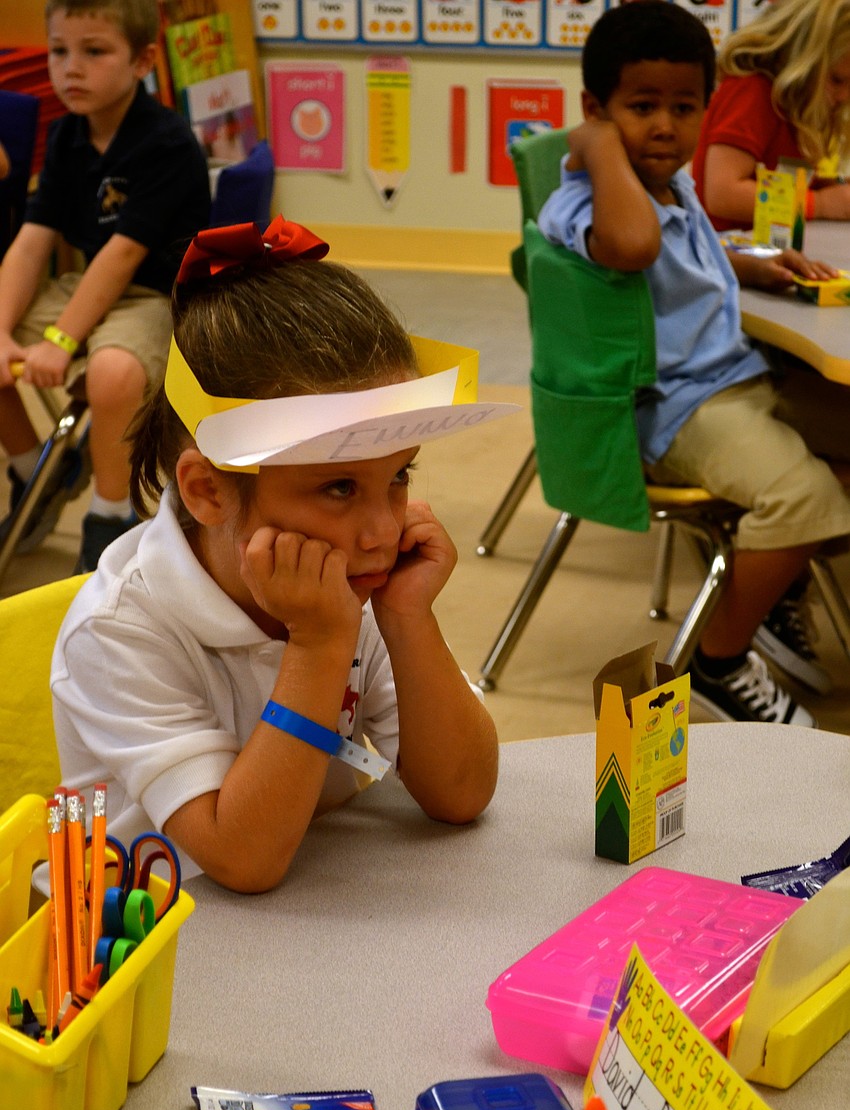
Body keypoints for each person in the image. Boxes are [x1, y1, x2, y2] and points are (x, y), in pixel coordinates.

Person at [50, 217, 510, 893]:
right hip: (165, 942)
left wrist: (409, 618)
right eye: (338, 487)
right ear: (207, 490)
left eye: (400, 477)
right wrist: (321, 645)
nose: (382, 529)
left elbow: (463, 791)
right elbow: (243, 859)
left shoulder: (354, 578)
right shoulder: (121, 630)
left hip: (316, 901)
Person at [538, 0, 850, 726]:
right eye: (640, 107)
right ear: (595, 108)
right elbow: (635, 247)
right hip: (679, 410)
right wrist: (597, 146)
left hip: (739, 379)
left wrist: (747, 265)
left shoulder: (669, 184)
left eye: (684, 108)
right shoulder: (581, 198)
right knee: (803, 496)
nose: (665, 126)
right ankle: (717, 660)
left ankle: (773, 589)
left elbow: (678, 251)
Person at [0, 0, 210, 572]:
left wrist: (61, 341)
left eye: (94, 52)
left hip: (156, 295)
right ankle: (35, 476)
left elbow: (121, 257)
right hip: (90, 286)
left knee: (111, 373)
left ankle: (111, 515)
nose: (70, 68)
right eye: (59, 51)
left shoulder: (164, 141)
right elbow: (32, 239)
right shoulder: (68, 133)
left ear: (143, 60)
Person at [692, 0, 850, 232]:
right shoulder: (752, 91)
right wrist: (820, 203)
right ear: (802, 59)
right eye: (837, 80)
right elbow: (723, 194)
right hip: (723, 255)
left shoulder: (794, 104)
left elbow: (774, 179)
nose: (845, 96)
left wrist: (829, 187)